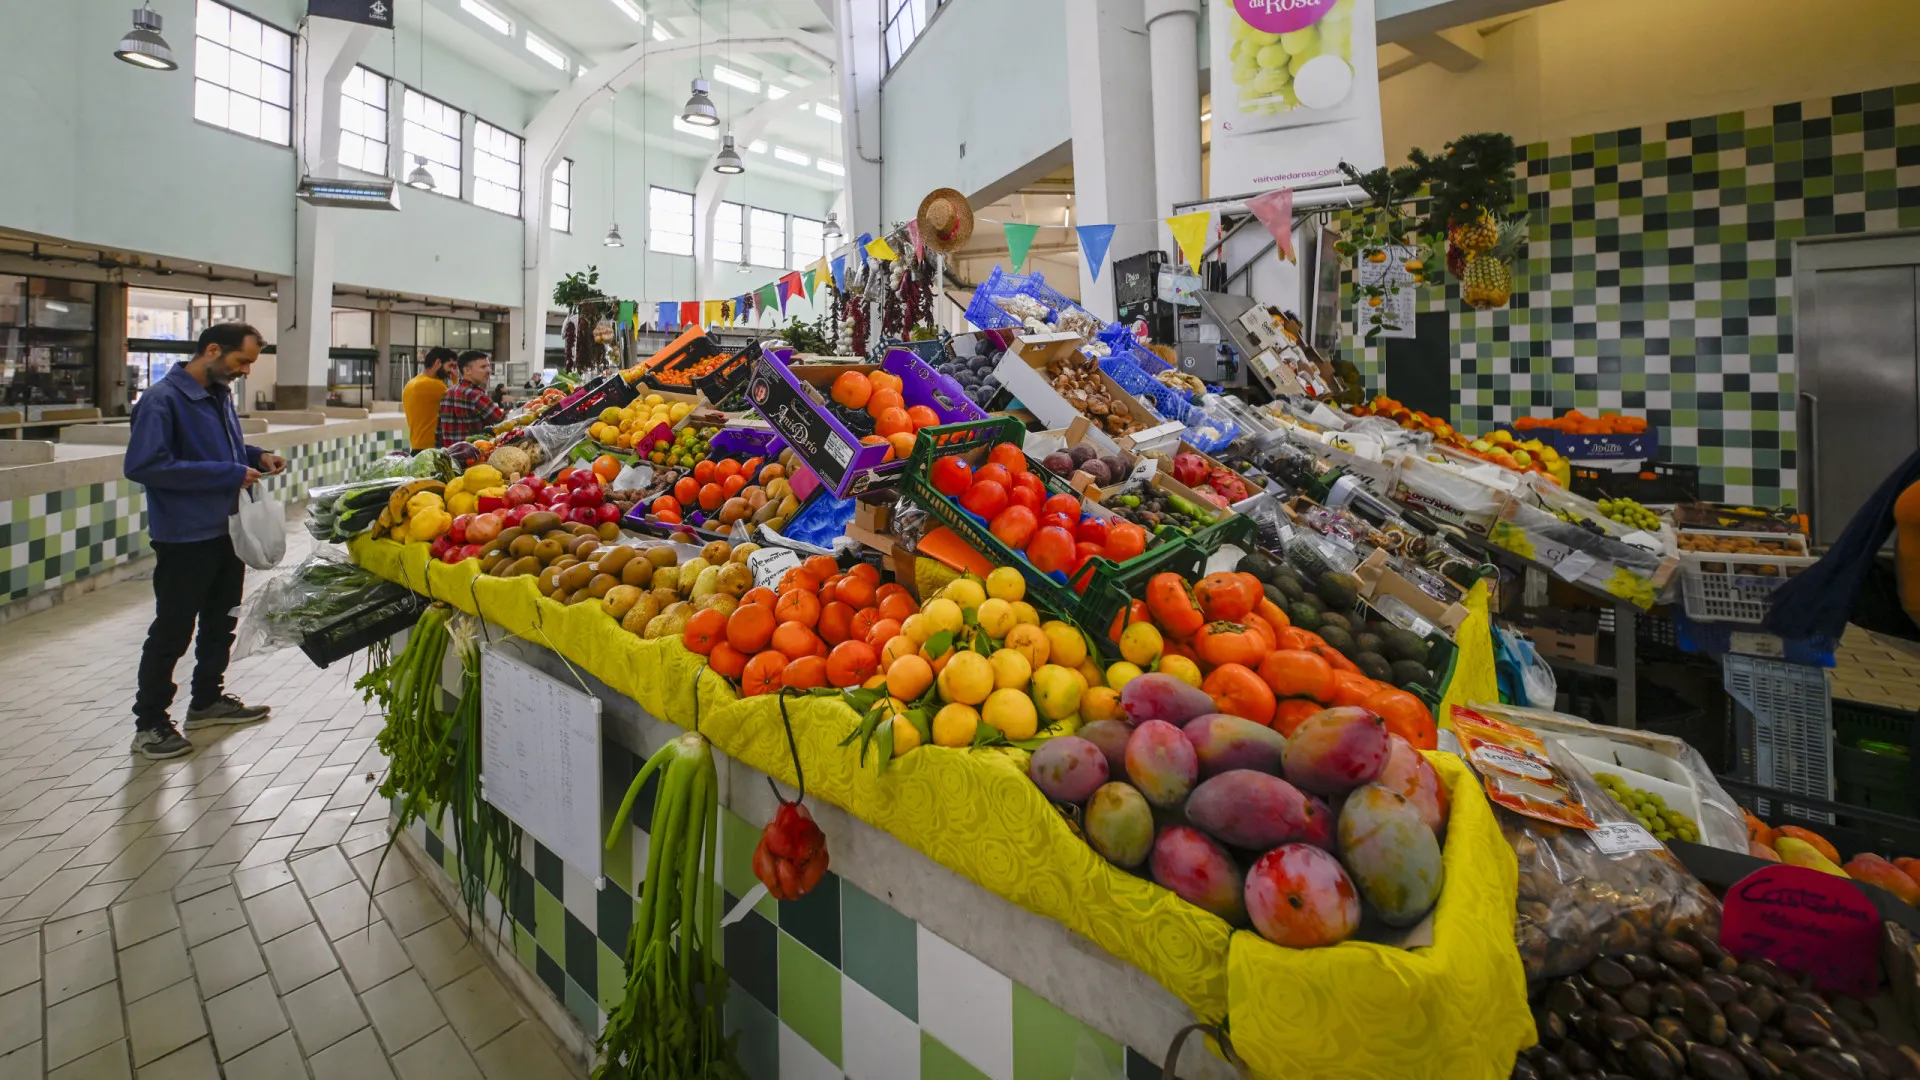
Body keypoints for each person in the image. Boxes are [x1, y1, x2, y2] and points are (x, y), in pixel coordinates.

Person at [123, 323, 286, 760]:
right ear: (212, 350)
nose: (246, 371)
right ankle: (150, 723)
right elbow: (145, 466)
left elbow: (223, 452)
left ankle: (206, 701)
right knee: (173, 629)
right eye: (241, 361)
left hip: (226, 530)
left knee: (221, 621)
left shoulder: (218, 395)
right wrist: (227, 474)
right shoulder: (162, 401)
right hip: (184, 535)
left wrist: (255, 456)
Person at [437, 350, 505, 448]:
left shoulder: (447, 393)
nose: (489, 370)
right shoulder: (476, 396)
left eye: (488, 366)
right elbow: (504, 423)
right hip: (474, 457)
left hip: (451, 456)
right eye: (483, 367)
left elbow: (439, 432)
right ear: (467, 370)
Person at [402, 346, 457, 451]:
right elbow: (459, 402)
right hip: (431, 448)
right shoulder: (435, 385)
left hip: (416, 446)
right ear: (437, 363)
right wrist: (455, 380)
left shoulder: (411, 383)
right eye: (450, 366)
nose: (451, 371)